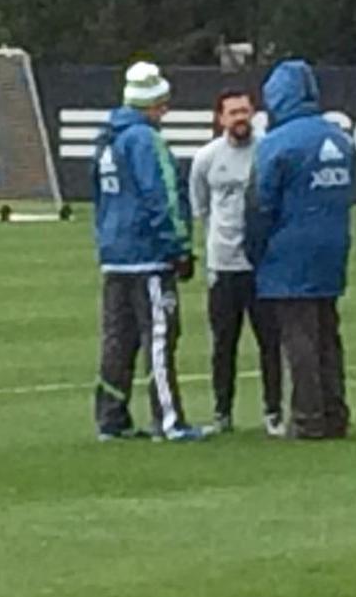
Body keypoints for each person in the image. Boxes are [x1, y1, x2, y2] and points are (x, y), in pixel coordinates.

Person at [91, 61, 208, 443]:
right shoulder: (145, 140)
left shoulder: (106, 139)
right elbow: (163, 198)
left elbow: (100, 200)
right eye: (162, 103)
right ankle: (169, 421)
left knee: (117, 340)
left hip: (114, 255)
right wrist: (180, 248)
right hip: (147, 256)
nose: (166, 110)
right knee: (159, 337)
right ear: (151, 103)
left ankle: (111, 418)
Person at [250, 60, 354, 440]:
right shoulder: (339, 139)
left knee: (299, 336)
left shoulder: (277, 144)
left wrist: (255, 250)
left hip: (289, 251)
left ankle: (308, 417)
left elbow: (261, 205)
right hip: (333, 247)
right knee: (328, 332)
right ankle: (335, 411)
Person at [190, 89, 284, 437]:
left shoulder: (268, 151)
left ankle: (273, 412)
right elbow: (200, 206)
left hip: (262, 266)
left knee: (270, 343)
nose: (240, 118)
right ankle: (222, 412)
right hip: (224, 265)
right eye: (233, 113)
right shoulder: (207, 158)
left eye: (244, 111)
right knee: (223, 344)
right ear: (220, 118)